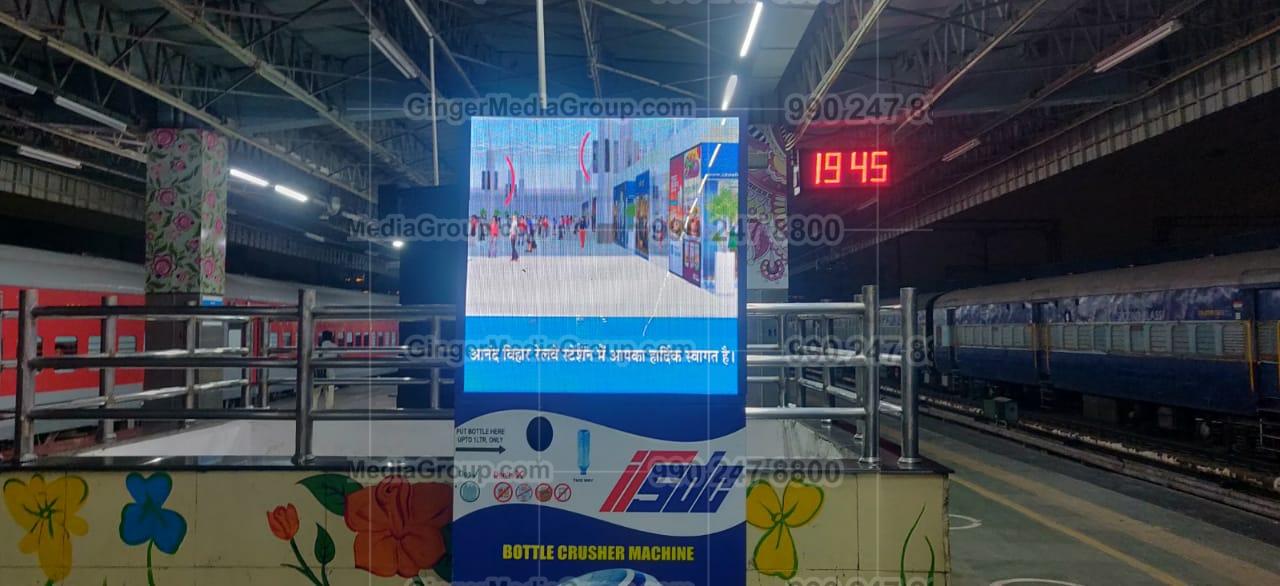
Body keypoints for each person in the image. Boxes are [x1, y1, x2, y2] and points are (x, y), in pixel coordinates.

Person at [315, 331, 338, 410]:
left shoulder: (318, 347)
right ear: (331, 337)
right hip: (330, 374)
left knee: (315, 394)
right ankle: (328, 410)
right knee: (329, 393)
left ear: (322, 337)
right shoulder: (335, 346)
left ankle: (313, 409)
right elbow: (341, 356)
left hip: (319, 374)